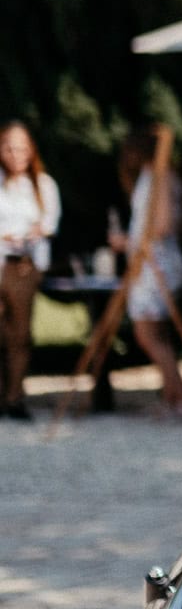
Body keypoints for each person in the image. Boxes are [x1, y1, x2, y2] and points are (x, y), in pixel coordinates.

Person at [111, 127, 182, 419]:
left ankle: (178, 397)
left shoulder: (160, 176)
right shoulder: (151, 176)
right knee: (153, 333)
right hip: (146, 262)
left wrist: (130, 242)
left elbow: (163, 225)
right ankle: (172, 395)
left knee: (148, 333)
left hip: (156, 264)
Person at [1, 121, 61, 422]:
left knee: (20, 334)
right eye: (9, 148)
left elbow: (49, 223)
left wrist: (33, 232)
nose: (16, 155)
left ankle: (15, 396)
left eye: (21, 148)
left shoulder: (43, 185)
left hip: (24, 265)